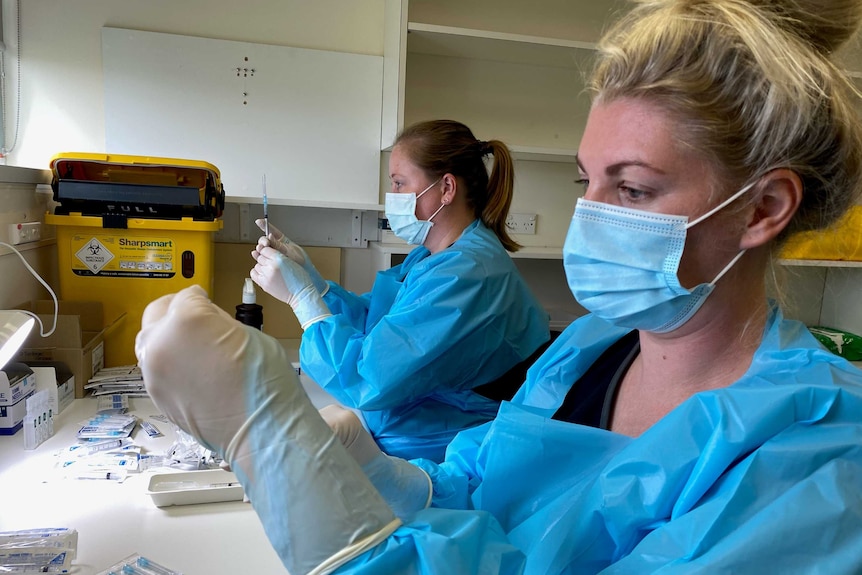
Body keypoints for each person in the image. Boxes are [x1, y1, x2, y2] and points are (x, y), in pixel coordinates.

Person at [135, 0, 862, 573]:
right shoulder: (588, 348)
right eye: (589, 182)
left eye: (633, 189)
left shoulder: (817, 453)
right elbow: (479, 491)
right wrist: (389, 477)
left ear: (763, 209)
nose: (594, 215)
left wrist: (263, 435)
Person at [249, 119, 551, 462]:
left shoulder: (465, 274)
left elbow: (368, 375)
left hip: (450, 451)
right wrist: (315, 285)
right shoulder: (435, 256)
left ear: (446, 188)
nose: (391, 197)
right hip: (413, 428)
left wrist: (304, 301)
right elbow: (381, 326)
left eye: (399, 183)